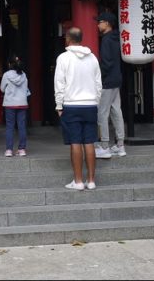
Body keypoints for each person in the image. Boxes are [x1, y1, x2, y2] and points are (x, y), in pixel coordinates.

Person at [53, 27, 102, 191]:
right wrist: (96, 100)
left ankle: (78, 181)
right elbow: (98, 83)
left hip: (72, 104)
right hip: (90, 104)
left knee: (75, 142)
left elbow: (59, 83)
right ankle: (92, 180)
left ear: (68, 38)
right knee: (89, 142)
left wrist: (59, 104)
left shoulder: (63, 58)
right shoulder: (92, 58)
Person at [95, 12, 127, 159]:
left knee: (102, 113)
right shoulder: (116, 38)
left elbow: (106, 64)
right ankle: (120, 145)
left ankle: (104, 145)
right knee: (116, 111)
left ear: (107, 23)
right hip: (117, 79)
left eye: (100, 22)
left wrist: (98, 77)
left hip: (107, 82)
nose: (98, 24)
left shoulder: (106, 40)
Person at [0, 55, 29, 157]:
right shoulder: (24, 75)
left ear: (9, 64)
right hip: (22, 103)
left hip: (10, 104)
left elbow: (2, 89)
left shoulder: (6, 75)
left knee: (10, 127)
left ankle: (9, 150)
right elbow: (26, 89)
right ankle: (22, 150)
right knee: (21, 126)